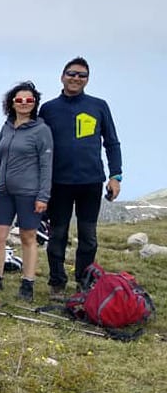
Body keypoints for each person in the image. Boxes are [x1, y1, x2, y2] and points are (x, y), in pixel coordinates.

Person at [39, 57, 122, 299]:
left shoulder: (99, 106)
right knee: (57, 235)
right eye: (71, 73)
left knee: (88, 236)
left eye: (82, 75)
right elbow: (39, 145)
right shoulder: (49, 109)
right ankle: (56, 283)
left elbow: (112, 142)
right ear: (62, 76)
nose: (76, 78)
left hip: (91, 181)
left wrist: (115, 176)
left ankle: (84, 284)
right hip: (59, 183)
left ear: (87, 79)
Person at [0, 81, 53, 301]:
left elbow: (46, 164)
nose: (24, 104)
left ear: (35, 104)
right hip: (4, 191)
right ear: (12, 103)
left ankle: (28, 283)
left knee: (28, 236)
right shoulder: (6, 126)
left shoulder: (41, 130)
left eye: (29, 100)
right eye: (19, 100)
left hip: (29, 192)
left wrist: (43, 196)